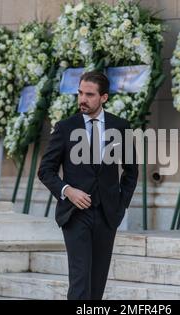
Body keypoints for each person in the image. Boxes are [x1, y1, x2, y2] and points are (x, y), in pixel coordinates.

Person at [37, 71, 139, 300]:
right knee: (81, 281)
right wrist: (68, 191)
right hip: (75, 214)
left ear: (104, 97)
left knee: (97, 283)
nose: (83, 99)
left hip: (107, 215)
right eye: (80, 93)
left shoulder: (121, 127)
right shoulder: (65, 128)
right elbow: (45, 171)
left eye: (89, 94)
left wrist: (120, 207)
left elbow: (131, 173)